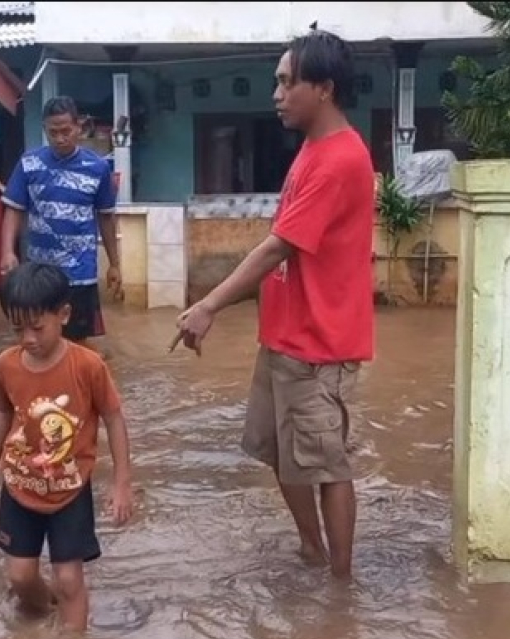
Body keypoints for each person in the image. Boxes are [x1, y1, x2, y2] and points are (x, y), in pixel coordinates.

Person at [174, 29, 375, 580]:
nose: (277, 94)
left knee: (328, 465)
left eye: (288, 83)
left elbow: (277, 246)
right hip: (287, 334)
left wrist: (208, 305)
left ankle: (341, 585)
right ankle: (312, 551)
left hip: (321, 345)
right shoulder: (312, 148)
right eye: (277, 82)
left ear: (324, 89)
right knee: (283, 455)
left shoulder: (339, 160)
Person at [0, 262, 134, 632]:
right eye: (18, 329)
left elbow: (113, 418)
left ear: (63, 315)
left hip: (70, 489)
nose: (28, 338)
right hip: (20, 485)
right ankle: (44, 618)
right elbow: (3, 413)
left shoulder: (88, 366)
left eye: (37, 327)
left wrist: (122, 482)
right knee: (20, 576)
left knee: (68, 578)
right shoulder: (6, 365)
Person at [0, 96, 122, 354]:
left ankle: (90, 375)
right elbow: (14, 209)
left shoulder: (98, 168)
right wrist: (7, 252)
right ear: (45, 129)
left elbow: (106, 217)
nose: (60, 138)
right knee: (38, 334)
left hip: (80, 273)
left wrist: (114, 264)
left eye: (66, 131)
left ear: (79, 127)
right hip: (40, 272)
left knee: (77, 342)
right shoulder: (29, 164)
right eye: (52, 132)